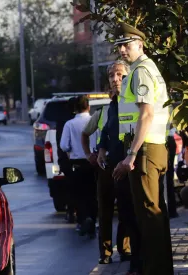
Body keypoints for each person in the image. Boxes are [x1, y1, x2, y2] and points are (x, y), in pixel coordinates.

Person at [111, 22, 173, 275]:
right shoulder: (146, 69)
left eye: (126, 45)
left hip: (146, 149)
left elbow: (146, 115)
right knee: (154, 214)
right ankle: (159, 267)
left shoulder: (141, 71)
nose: (123, 50)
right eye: (120, 47)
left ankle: (157, 270)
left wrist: (131, 154)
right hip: (152, 147)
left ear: (140, 43)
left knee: (149, 215)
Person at [90, 61, 136, 267]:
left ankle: (125, 249)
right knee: (105, 210)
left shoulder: (134, 101)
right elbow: (107, 132)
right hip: (109, 165)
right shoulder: (113, 104)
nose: (115, 79)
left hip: (126, 165)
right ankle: (106, 252)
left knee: (127, 209)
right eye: (111, 75)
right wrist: (101, 150)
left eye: (120, 74)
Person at [60, 95, 98, 238]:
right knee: (93, 194)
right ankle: (93, 221)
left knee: (80, 195)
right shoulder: (94, 121)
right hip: (93, 162)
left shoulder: (69, 124)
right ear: (88, 107)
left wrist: (72, 150)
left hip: (77, 164)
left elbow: (64, 145)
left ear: (75, 109)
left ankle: (83, 220)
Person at [56, 97, 77, 224]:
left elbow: (62, 144)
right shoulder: (74, 121)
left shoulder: (62, 122)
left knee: (70, 187)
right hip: (80, 159)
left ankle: (71, 212)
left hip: (65, 160)